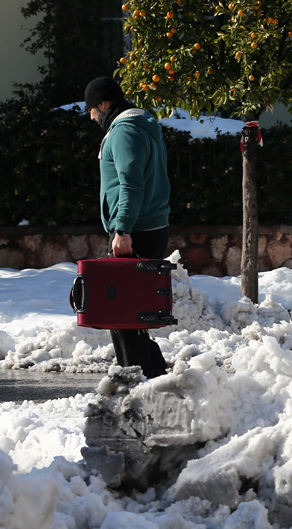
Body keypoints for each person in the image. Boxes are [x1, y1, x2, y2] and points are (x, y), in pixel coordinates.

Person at [84, 76, 171, 378]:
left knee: (121, 314)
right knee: (131, 314)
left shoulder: (124, 133)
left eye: (92, 109)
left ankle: (135, 384)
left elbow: (130, 185)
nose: (91, 116)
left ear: (104, 104)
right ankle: (154, 377)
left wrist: (122, 229)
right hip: (148, 226)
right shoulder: (143, 125)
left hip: (135, 230)